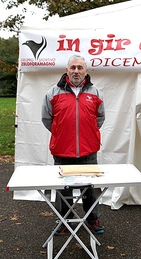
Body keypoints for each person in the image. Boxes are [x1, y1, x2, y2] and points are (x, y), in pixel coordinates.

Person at [41, 54, 105, 234]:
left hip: (88, 151)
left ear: (86, 71)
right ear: (67, 70)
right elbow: (47, 119)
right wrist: (63, 133)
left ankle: (92, 220)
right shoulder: (52, 93)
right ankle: (63, 220)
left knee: (90, 189)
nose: (76, 71)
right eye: (73, 67)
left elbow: (100, 118)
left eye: (80, 68)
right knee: (64, 189)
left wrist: (87, 133)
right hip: (62, 151)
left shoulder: (96, 93)